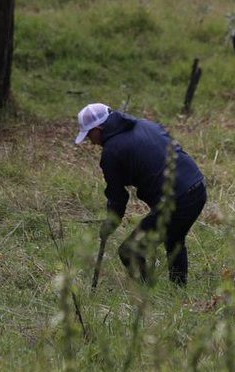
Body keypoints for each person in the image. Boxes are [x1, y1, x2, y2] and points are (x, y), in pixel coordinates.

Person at [75, 103, 207, 286]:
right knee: (174, 239)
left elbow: (117, 198)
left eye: (89, 134)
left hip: (177, 199)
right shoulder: (145, 125)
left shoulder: (111, 152)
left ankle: (146, 296)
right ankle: (179, 291)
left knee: (130, 251)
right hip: (198, 187)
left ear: (99, 128)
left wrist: (109, 224)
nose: (91, 141)